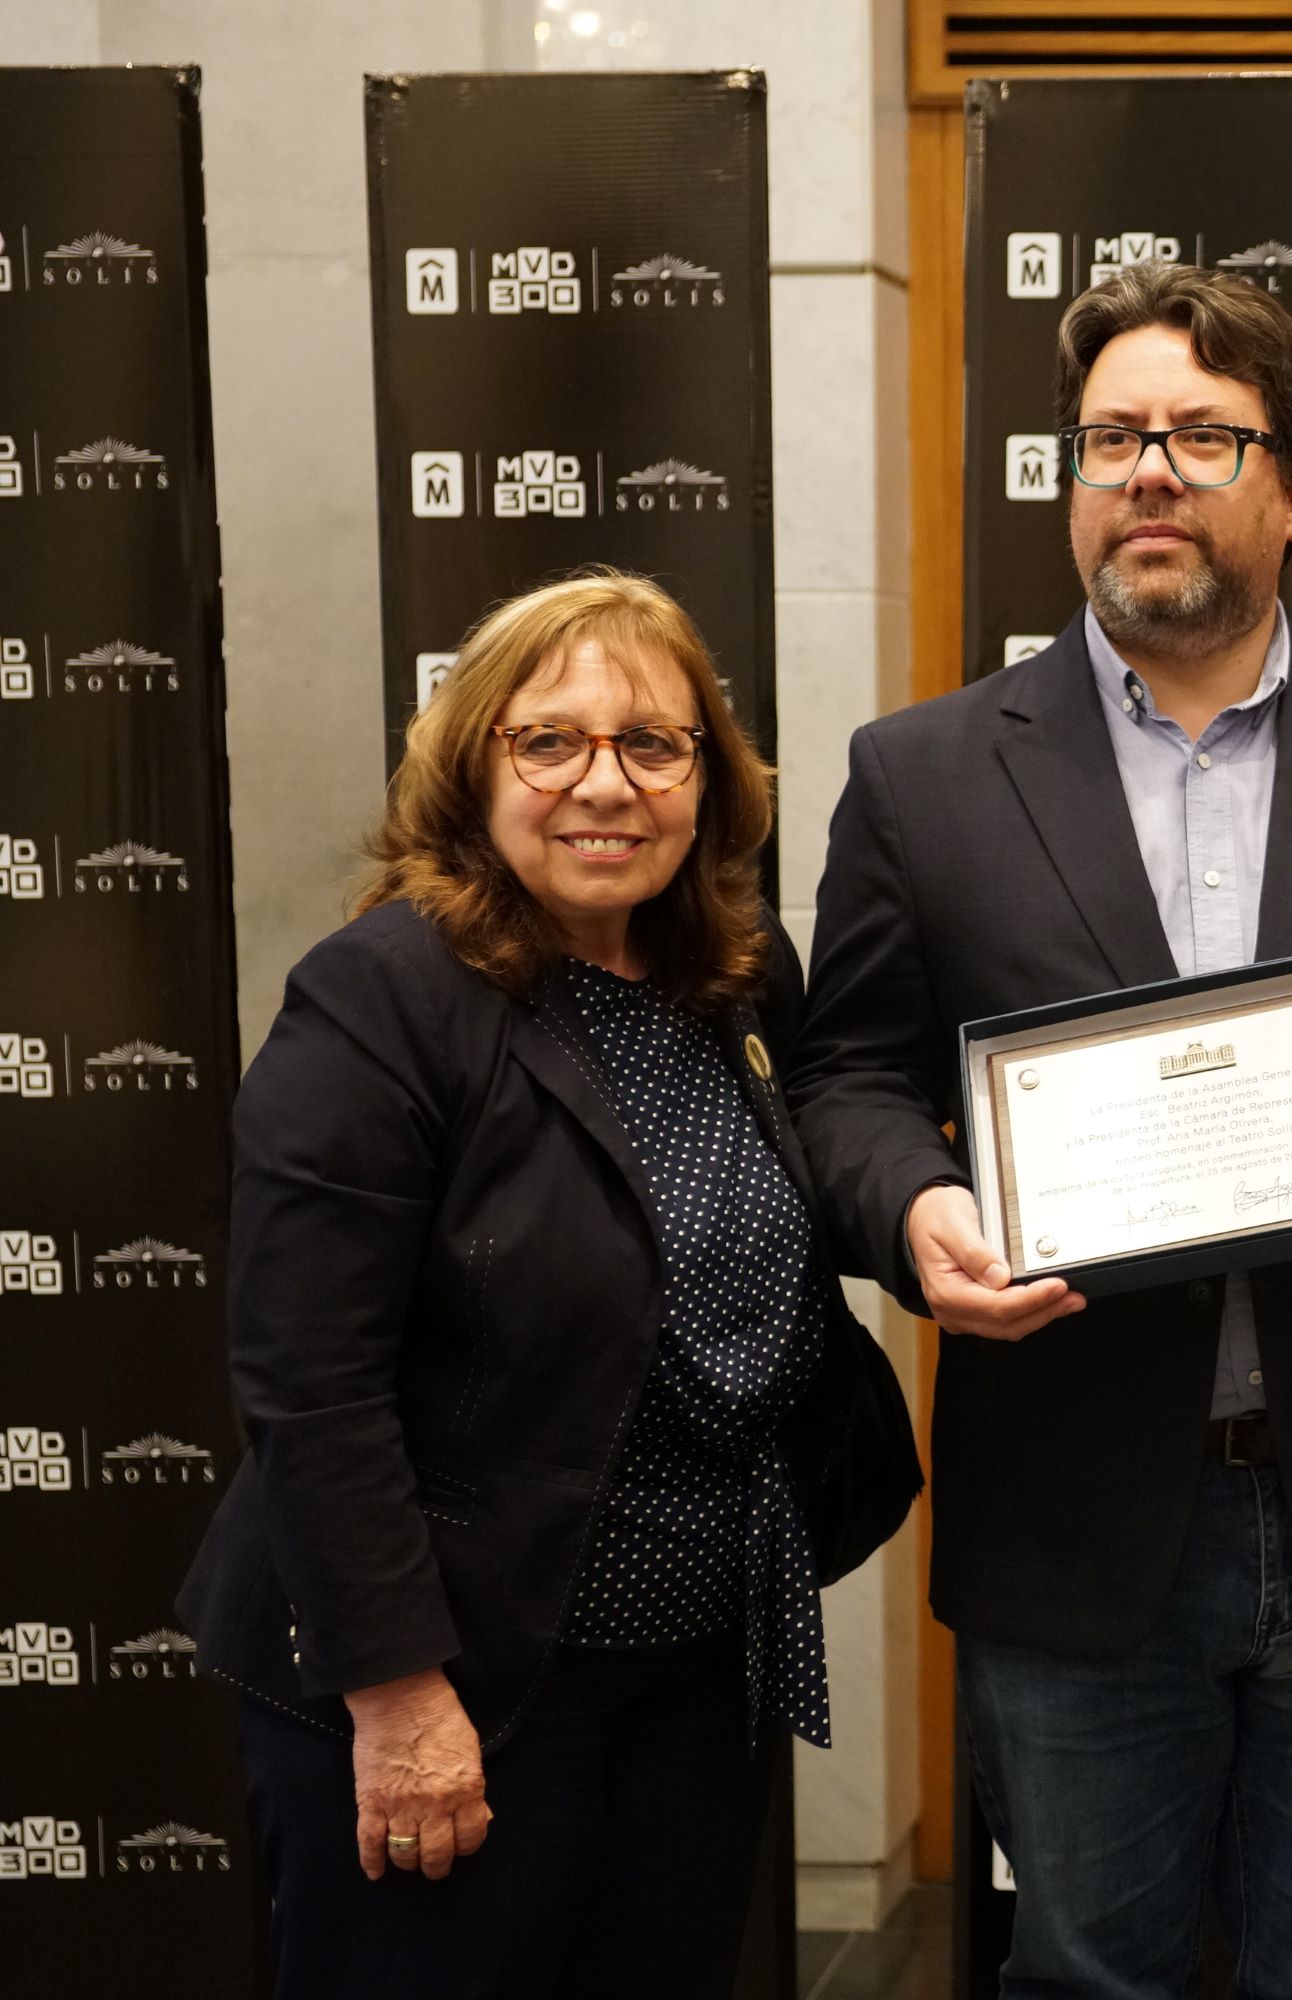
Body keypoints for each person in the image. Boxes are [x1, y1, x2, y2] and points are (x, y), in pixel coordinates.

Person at [787, 263, 1292, 1998]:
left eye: (1201, 437)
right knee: (1088, 1976)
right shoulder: (923, 774)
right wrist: (918, 1213)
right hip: (1074, 1515)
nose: (1147, 472)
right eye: (1110, 439)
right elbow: (846, 1075)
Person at [178, 571, 921, 1999]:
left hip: (695, 1671)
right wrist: (399, 1697)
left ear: (708, 778)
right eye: (551, 741)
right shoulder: (382, 996)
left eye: (654, 743)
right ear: (474, 765)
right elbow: (309, 1381)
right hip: (454, 1672)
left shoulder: (736, 976)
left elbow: (821, 1174)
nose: (608, 784)